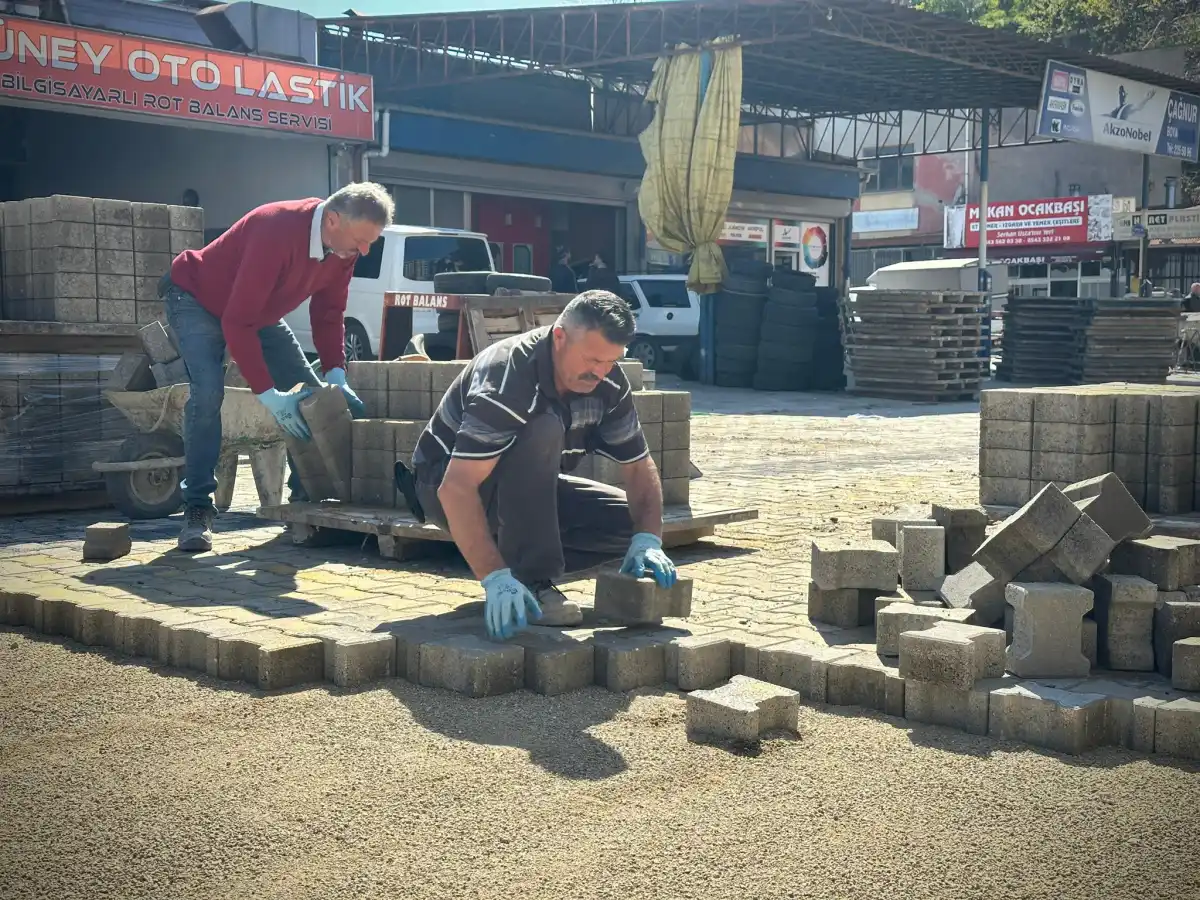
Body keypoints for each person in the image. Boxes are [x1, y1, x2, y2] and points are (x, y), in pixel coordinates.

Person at [411, 290, 677, 641]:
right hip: (445, 485)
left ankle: (513, 555)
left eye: (611, 361)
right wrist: (495, 577)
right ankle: (529, 578)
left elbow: (639, 468)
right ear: (559, 337)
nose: (600, 373)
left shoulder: (609, 382)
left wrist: (647, 540)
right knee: (543, 427)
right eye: (592, 359)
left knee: (630, 525)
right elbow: (455, 487)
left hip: (523, 491)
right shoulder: (508, 378)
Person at [162, 182, 395, 552]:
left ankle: (305, 500)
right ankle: (197, 511)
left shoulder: (345, 248)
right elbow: (236, 323)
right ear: (332, 220)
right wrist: (268, 395)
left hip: (256, 308)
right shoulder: (276, 230)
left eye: (371, 242)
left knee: (312, 395)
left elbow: (329, 312)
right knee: (208, 394)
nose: (364, 251)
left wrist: (335, 371)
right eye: (361, 241)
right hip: (197, 298)